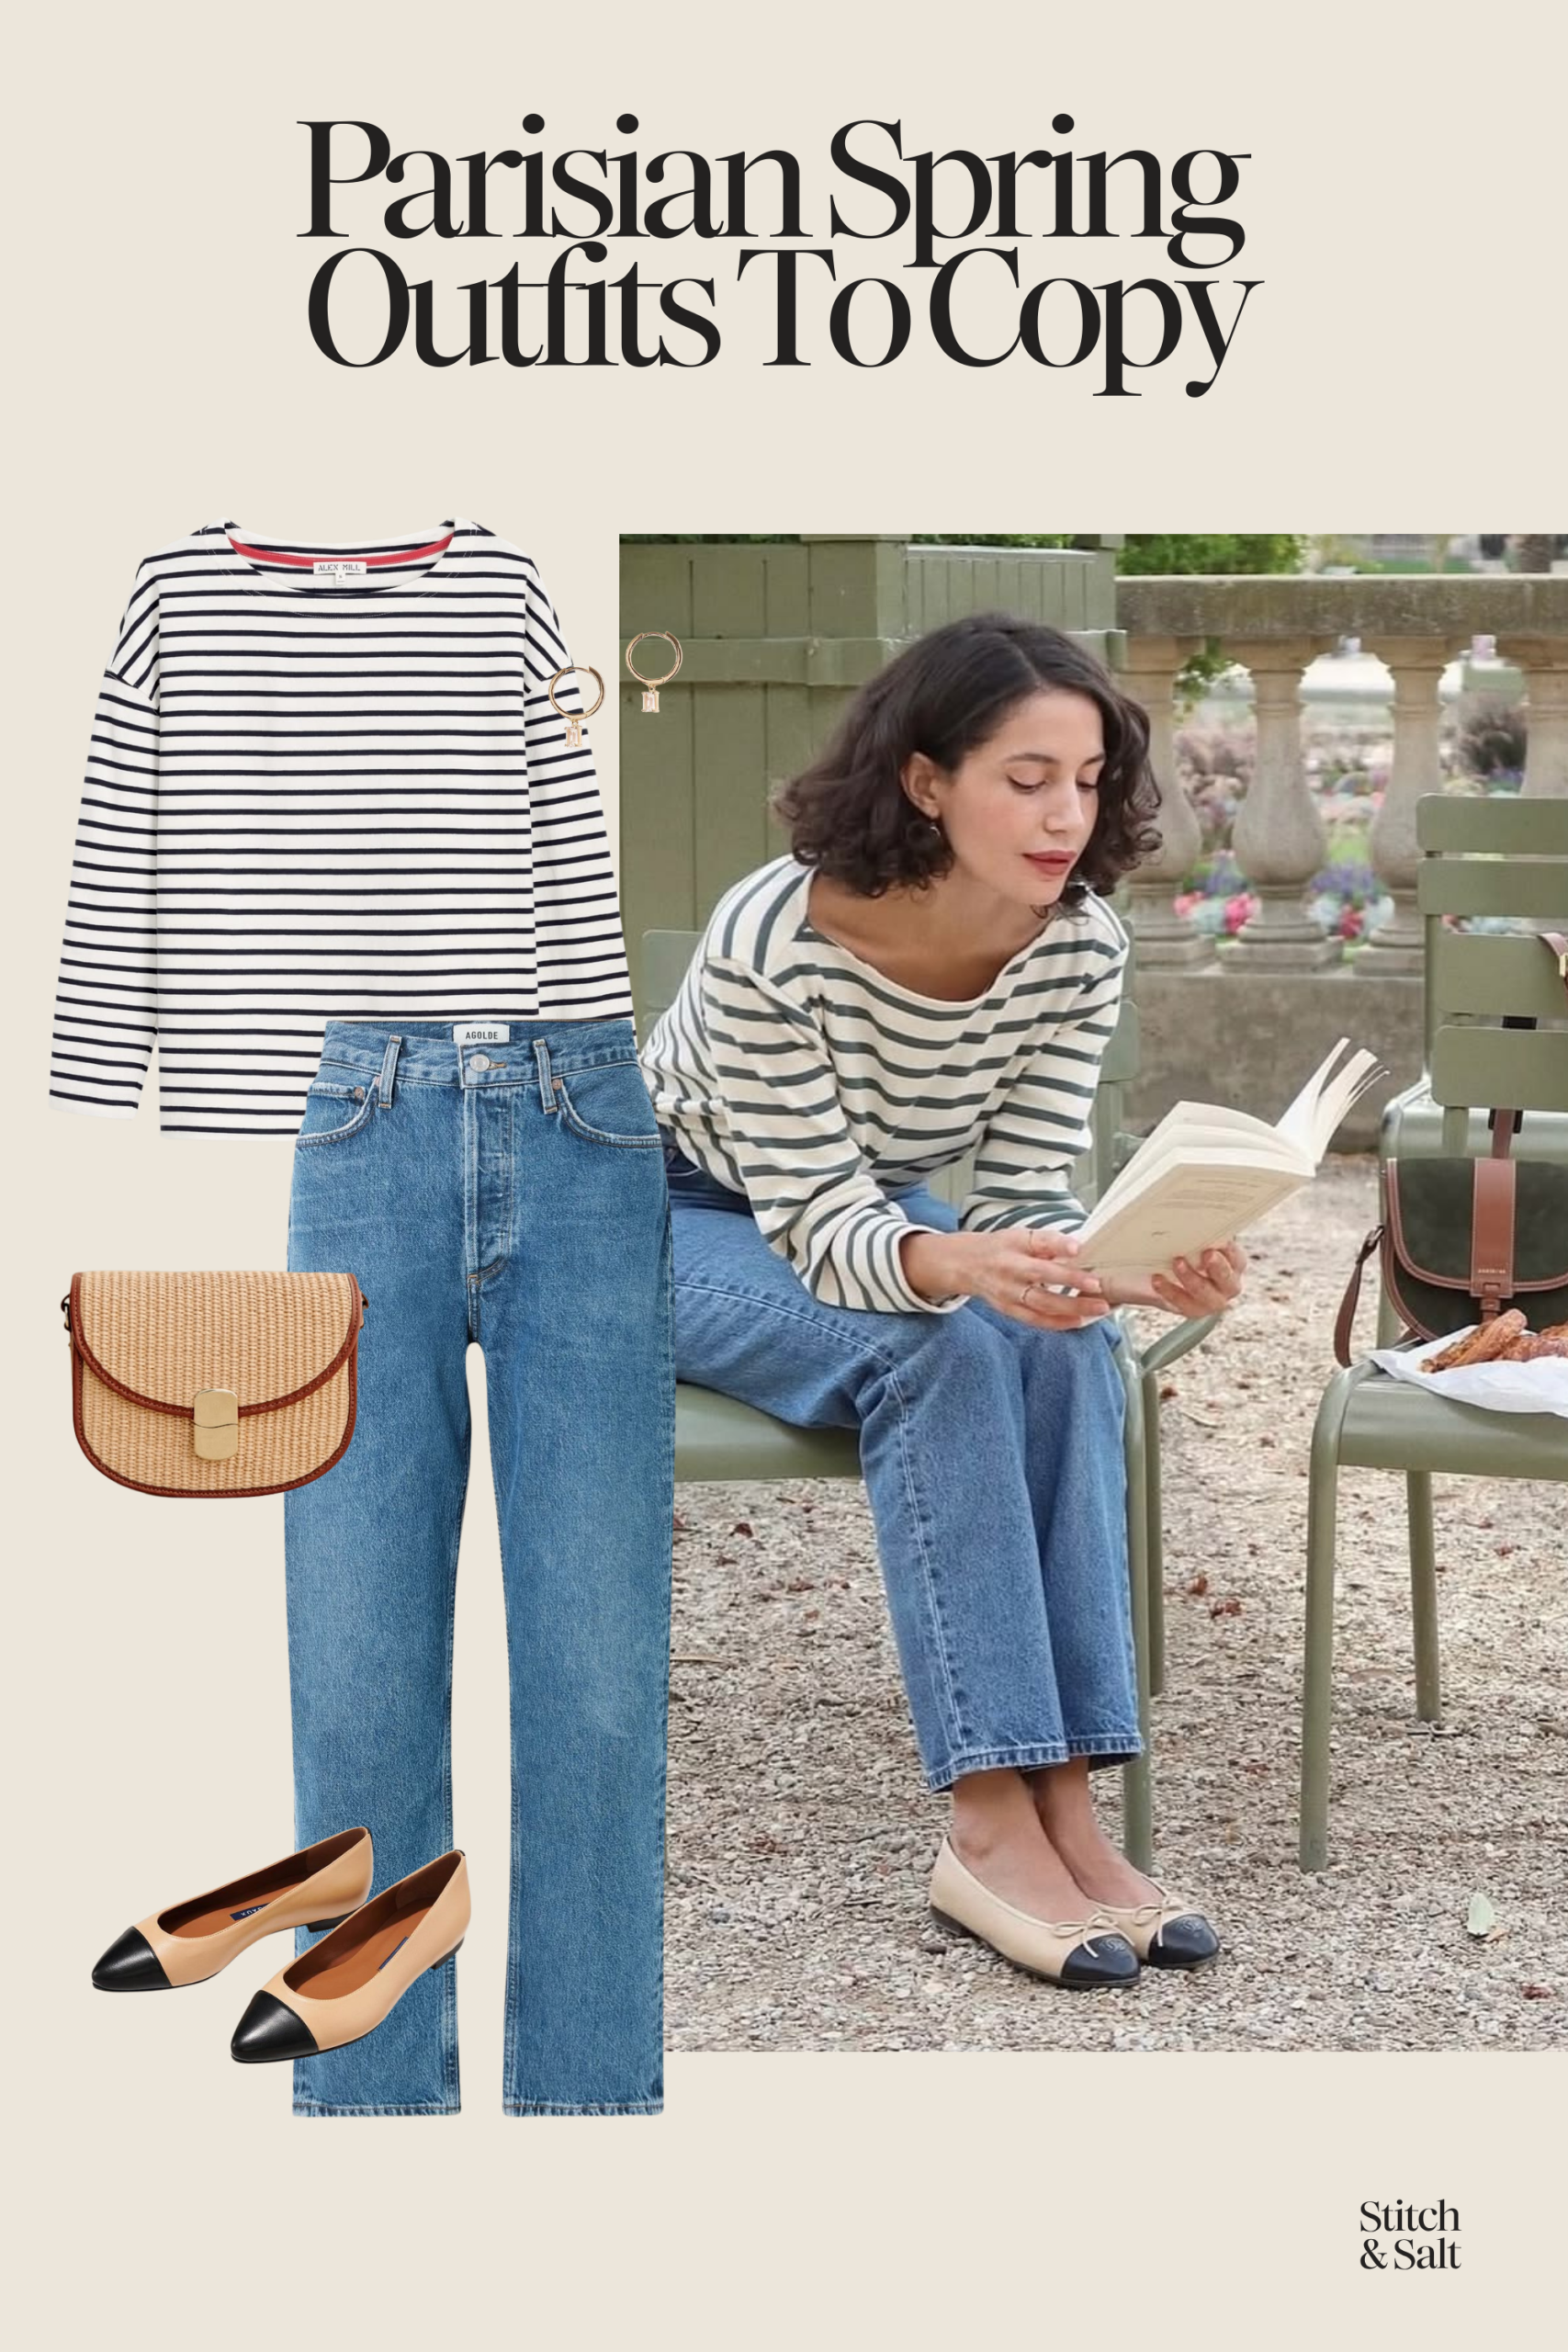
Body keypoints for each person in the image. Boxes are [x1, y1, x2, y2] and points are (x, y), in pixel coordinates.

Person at [641, 614, 1245, 1988]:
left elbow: (1026, 1190)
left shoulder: (1075, 946)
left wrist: (1109, 1268)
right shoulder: (773, 935)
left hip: (856, 1207)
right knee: (941, 1354)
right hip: (656, 1214)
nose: (1061, 815)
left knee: (1059, 1339)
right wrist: (966, 1267)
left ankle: (1072, 1809)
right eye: (1023, 777)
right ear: (926, 780)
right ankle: (984, 1820)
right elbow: (814, 1219)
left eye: (1084, 780)